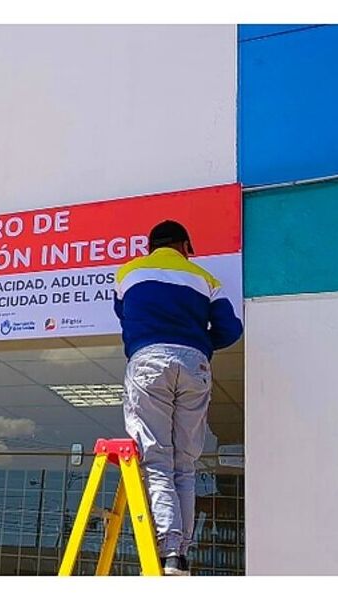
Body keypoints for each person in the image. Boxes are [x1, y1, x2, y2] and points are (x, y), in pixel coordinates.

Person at [113, 220, 242, 576]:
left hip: (149, 361)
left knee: (156, 460)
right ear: (185, 246)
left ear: (150, 247)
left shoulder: (128, 273)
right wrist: (196, 345)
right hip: (193, 364)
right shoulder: (205, 278)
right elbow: (232, 329)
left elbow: (125, 315)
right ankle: (178, 556)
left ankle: (170, 550)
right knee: (184, 462)